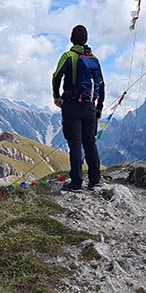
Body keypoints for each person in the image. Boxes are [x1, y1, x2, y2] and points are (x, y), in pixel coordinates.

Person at [52, 25, 105, 191]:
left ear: (71, 39)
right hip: (90, 106)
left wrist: (56, 96)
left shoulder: (68, 56)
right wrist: (99, 107)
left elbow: (56, 76)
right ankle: (95, 180)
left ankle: (76, 182)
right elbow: (101, 84)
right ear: (86, 40)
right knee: (90, 143)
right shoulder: (94, 59)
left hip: (72, 105)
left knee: (75, 144)